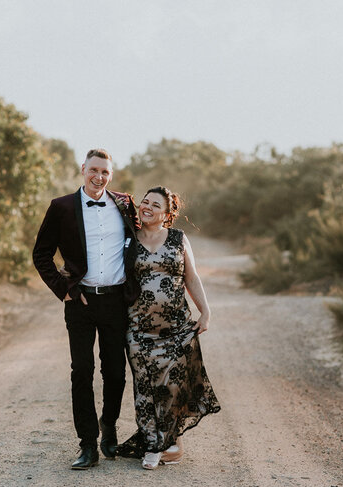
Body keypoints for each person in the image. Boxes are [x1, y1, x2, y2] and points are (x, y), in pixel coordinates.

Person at [32, 148, 140, 470]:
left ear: (111, 175)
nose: (99, 177)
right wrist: (64, 289)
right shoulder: (61, 207)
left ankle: (109, 425)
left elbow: (140, 240)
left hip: (116, 300)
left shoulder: (124, 204)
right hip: (80, 300)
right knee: (82, 372)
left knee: (116, 373)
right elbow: (41, 254)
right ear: (83, 170)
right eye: (94, 170)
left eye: (105, 172)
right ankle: (88, 444)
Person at [116, 186, 221, 469]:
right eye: (144, 202)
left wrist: (205, 312)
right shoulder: (128, 238)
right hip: (138, 329)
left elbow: (192, 277)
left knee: (172, 387)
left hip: (175, 328)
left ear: (167, 214)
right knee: (146, 387)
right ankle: (154, 444)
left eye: (154, 205)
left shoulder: (178, 239)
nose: (146, 207)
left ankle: (170, 443)